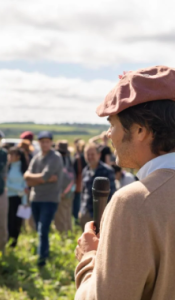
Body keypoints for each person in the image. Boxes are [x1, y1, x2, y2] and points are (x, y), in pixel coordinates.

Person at [75, 66, 175, 300]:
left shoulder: (134, 202)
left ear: (140, 130)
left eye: (113, 124)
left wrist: (89, 259)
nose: (109, 134)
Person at [24, 131, 63, 267]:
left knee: (43, 229)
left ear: (51, 142)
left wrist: (36, 179)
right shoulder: (37, 157)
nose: (45, 144)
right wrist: (40, 179)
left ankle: (42, 260)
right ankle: (43, 253)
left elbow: (40, 177)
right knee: (39, 229)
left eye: (47, 141)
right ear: (39, 143)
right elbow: (26, 177)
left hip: (50, 199)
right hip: (35, 198)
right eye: (42, 141)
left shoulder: (55, 157)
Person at [79, 143, 116, 231]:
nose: (90, 157)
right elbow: (83, 192)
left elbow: (112, 194)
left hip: (101, 215)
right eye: (87, 154)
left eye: (92, 154)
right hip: (86, 213)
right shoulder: (85, 171)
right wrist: (81, 210)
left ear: (99, 155)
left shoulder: (107, 171)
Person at [6, 147, 28, 247]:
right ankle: (7, 240)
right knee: (8, 220)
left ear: (18, 157)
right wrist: (20, 190)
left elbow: (26, 183)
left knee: (17, 222)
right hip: (9, 197)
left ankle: (14, 243)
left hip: (21, 198)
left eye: (12, 154)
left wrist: (25, 198)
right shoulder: (7, 167)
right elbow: (6, 183)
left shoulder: (23, 168)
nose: (9, 157)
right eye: (9, 154)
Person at [54, 141, 75, 233]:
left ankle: (63, 236)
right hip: (70, 192)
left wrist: (62, 192)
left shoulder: (60, 160)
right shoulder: (69, 159)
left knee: (60, 217)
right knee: (67, 215)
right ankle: (69, 234)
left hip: (61, 192)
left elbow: (62, 178)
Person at [72, 139, 87, 225]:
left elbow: (76, 172)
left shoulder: (77, 157)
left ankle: (77, 221)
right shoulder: (85, 156)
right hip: (83, 183)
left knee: (76, 204)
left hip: (77, 183)